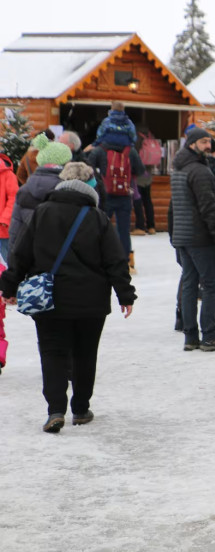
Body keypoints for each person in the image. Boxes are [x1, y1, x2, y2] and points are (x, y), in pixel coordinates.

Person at [0, 162, 135, 432]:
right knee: (85, 354)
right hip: (91, 301)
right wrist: (125, 294)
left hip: (49, 299)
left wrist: (10, 286)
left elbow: (21, 253)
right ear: (90, 188)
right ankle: (81, 409)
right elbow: (115, 260)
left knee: (52, 353)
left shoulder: (42, 213)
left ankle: (55, 410)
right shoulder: (97, 218)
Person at [168, 127, 215, 352]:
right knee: (211, 285)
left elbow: (173, 207)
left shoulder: (179, 168)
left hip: (184, 236)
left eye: (209, 141)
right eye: (204, 142)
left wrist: (173, 234)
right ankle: (210, 335)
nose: (208, 146)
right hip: (200, 236)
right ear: (192, 143)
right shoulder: (200, 171)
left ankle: (190, 336)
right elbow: (209, 209)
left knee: (189, 283)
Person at [86, 130, 146, 274]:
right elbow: (140, 169)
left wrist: (100, 180)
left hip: (104, 195)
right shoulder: (130, 150)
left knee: (100, 227)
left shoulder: (100, 149)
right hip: (124, 194)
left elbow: (88, 167)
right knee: (123, 230)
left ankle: (99, 259)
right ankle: (126, 262)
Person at [9, 135, 73, 249]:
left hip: (30, 254)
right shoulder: (70, 189)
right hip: (61, 256)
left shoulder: (24, 191)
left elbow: (16, 231)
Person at [0, 153, 19, 262]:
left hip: (2, 228)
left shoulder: (7, 175)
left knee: (6, 260)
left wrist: (5, 219)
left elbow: (14, 198)